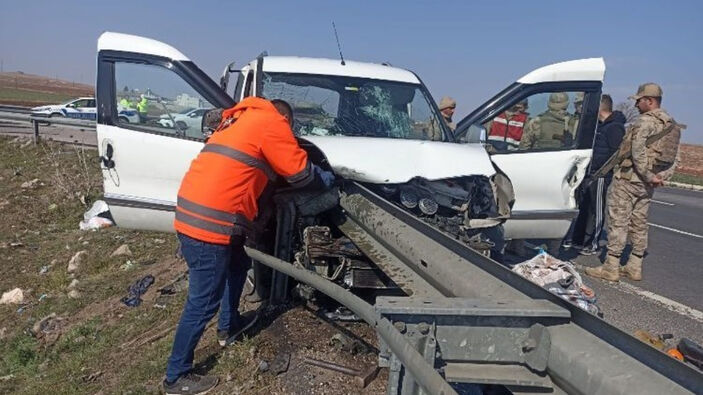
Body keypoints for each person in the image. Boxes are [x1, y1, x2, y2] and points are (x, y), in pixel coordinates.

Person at [163, 97, 334, 394]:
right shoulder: (271, 123)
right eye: (290, 129)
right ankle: (176, 376)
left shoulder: (241, 120)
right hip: (210, 224)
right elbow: (301, 174)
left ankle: (228, 327)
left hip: (194, 213)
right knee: (203, 302)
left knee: (238, 264)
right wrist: (330, 177)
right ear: (286, 120)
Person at [585, 83, 681, 282]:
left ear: (650, 101)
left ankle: (611, 267)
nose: (636, 105)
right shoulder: (671, 124)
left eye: (639, 100)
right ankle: (635, 266)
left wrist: (647, 174)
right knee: (639, 222)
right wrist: (659, 178)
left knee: (619, 221)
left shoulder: (644, 122)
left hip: (629, 179)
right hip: (648, 184)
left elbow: (636, 152)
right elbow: (674, 156)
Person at [562, 94, 625, 254]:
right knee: (583, 207)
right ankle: (578, 239)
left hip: (600, 176)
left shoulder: (615, 127)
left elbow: (614, 155)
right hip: (589, 174)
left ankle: (592, 243)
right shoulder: (599, 126)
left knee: (596, 210)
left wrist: (600, 172)